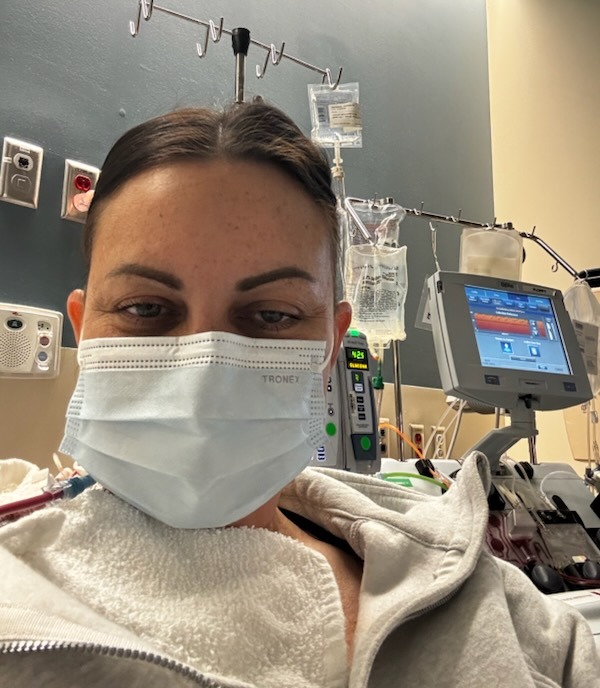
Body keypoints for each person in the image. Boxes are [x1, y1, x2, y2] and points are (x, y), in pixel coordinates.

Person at [0, 102, 597, 688]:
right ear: (83, 326)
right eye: (145, 309)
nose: (205, 370)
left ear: (331, 345)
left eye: (272, 315)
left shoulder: (495, 605)